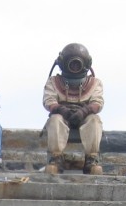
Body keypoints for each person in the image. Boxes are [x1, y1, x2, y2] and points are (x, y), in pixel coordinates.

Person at [42, 42, 104, 174]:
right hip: (63, 115)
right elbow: (49, 101)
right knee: (55, 119)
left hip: (85, 117)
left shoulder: (94, 83)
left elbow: (97, 102)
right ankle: (56, 159)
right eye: (72, 64)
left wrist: (84, 111)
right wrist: (62, 110)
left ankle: (91, 159)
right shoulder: (53, 82)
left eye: (78, 64)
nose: (75, 67)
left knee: (94, 120)